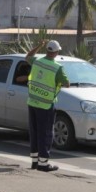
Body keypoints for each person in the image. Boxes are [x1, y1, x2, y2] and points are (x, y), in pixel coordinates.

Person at [25, 40, 70, 172]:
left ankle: (34, 161)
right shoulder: (58, 67)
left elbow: (27, 57)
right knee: (45, 133)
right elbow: (67, 83)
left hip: (32, 102)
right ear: (56, 52)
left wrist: (38, 45)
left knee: (34, 132)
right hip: (46, 105)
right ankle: (43, 164)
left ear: (47, 51)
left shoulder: (37, 62)